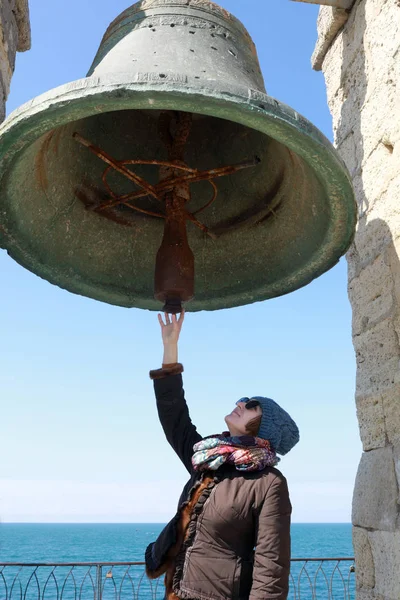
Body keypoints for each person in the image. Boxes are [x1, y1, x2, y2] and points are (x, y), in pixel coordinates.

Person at [145, 311, 299, 600]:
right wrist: (170, 348)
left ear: (264, 430)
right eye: (241, 399)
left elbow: (271, 569)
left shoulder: (268, 483)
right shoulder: (209, 459)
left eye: (251, 405)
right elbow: (174, 418)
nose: (240, 403)